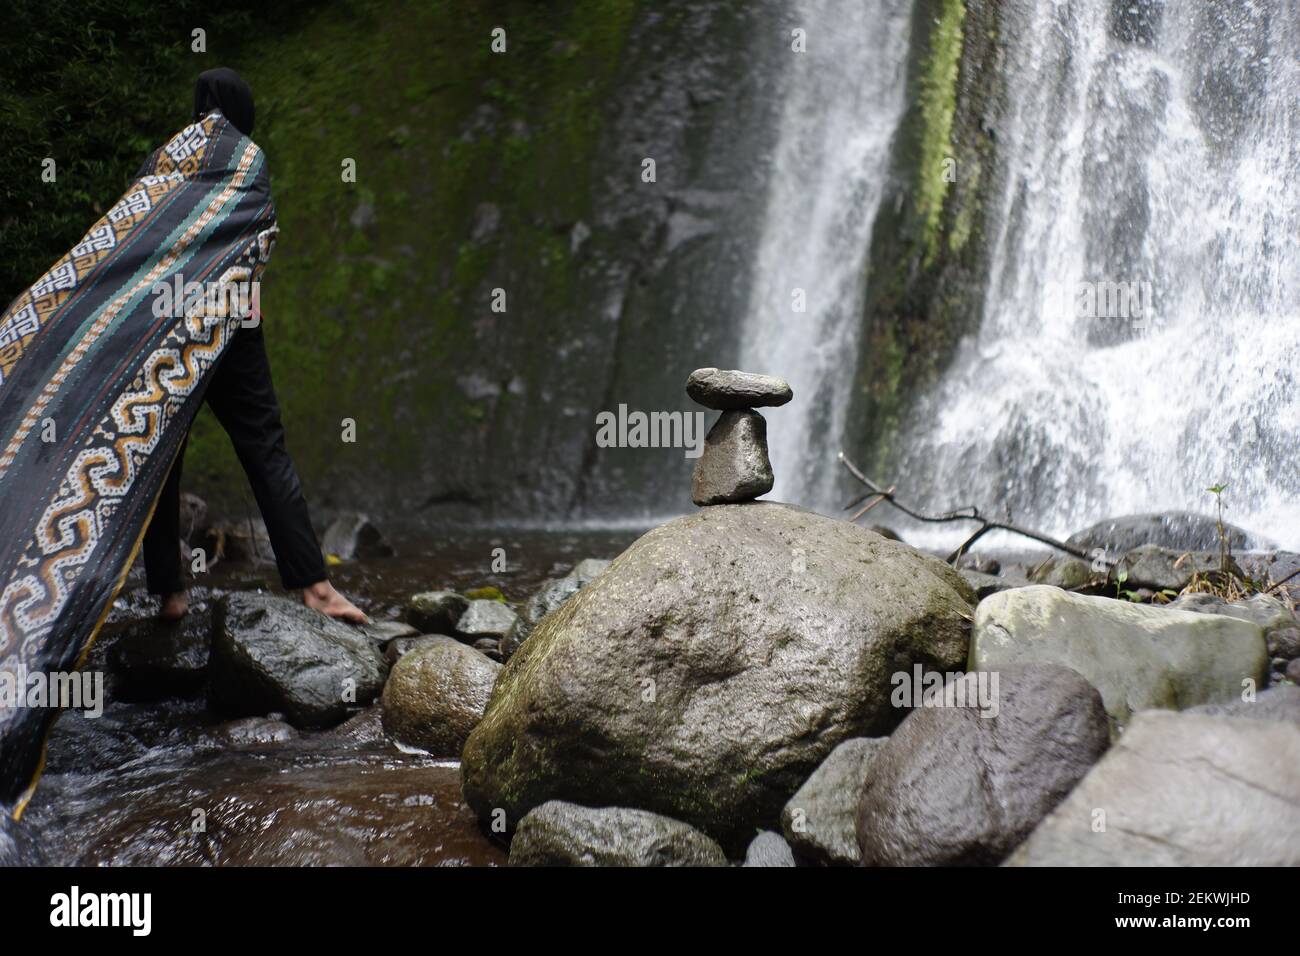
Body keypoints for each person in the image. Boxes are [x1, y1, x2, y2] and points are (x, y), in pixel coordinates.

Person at [142, 68, 366, 625]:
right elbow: (254, 233)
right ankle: (315, 588)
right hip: (230, 321)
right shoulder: (246, 156)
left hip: (161, 323)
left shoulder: (163, 157)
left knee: (161, 458)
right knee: (265, 449)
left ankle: (170, 595)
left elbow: (139, 238)